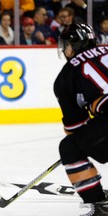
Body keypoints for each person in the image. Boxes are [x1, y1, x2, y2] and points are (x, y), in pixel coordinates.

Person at [54, 23, 108, 215]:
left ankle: (99, 205)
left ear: (75, 45)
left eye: (66, 44)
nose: (64, 49)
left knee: (70, 148)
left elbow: (75, 125)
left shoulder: (67, 75)